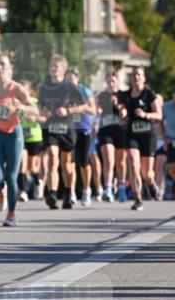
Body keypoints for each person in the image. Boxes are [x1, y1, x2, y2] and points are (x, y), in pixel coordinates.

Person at [0, 54, 38, 226]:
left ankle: (11, 214)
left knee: (11, 177)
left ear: (10, 69)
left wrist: (23, 108)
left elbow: (34, 110)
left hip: (13, 134)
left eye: (3, 64)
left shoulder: (17, 89)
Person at [38, 54, 83, 210]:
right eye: (51, 66)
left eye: (56, 66)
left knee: (67, 165)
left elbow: (84, 106)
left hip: (67, 128)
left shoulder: (70, 86)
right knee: (52, 158)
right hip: (51, 127)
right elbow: (41, 107)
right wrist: (43, 112)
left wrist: (68, 110)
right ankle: (51, 193)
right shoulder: (44, 87)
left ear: (63, 70)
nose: (53, 69)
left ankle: (68, 193)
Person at [119, 66, 162, 211]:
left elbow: (159, 115)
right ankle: (138, 199)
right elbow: (122, 109)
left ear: (143, 78)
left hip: (148, 135)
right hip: (132, 134)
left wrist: (146, 115)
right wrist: (122, 115)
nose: (136, 77)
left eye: (138, 75)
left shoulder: (149, 94)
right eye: (133, 75)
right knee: (132, 164)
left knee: (147, 173)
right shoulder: (125, 95)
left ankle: (150, 184)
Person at [66, 66, 97, 206]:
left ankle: (86, 189)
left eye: (73, 76)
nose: (71, 78)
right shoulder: (63, 92)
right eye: (68, 76)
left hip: (83, 129)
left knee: (84, 162)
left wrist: (80, 108)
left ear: (77, 78)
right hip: (69, 129)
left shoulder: (84, 91)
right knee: (70, 162)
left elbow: (93, 110)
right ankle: (71, 193)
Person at [96, 71, 127, 202]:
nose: (111, 84)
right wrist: (98, 110)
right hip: (106, 131)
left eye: (113, 81)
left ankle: (121, 186)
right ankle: (108, 188)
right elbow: (97, 110)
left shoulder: (123, 95)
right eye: (109, 81)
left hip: (120, 131)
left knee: (120, 161)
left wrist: (118, 106)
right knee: (108, 158)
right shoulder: (102, 96)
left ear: (118, 82)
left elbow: (125, 112)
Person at [18, 80, 43, 201]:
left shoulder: (34, 102)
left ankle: (38, 182)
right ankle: (22, 191)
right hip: (20, 136)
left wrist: (32, 117)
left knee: (32, 166)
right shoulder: (15, 102)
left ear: (29, 91)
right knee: (22, 163)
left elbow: (41, 117)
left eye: (24, 88)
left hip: (34, 136)